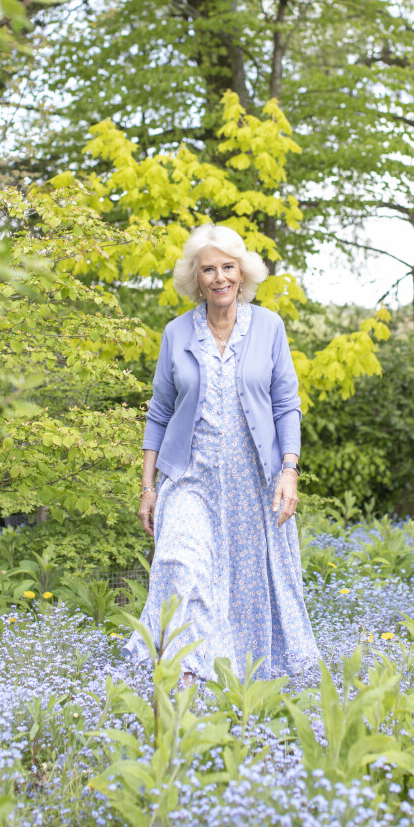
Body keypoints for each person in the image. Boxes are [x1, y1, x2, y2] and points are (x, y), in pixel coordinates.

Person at [124, 223, 319, 682]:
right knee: (179, 562)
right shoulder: (176, 333)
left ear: (242, 272)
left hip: (256, 480)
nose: (219, 278)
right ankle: (186, 673)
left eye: (227, 267)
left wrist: (289, 470)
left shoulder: (269, 327)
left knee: (248, 586)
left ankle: (241, 680)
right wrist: (148, 487)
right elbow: (159, 413)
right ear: (197, 279)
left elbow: (287, 405)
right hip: (191, 477)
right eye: (208, 269)